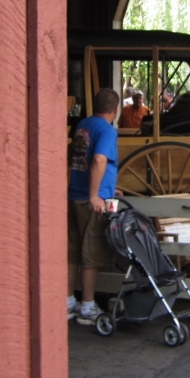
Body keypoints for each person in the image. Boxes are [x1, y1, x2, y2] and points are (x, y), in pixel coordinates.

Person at [68, 87, 120, 325]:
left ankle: (68, 302)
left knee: (73, 252)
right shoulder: (107, 130)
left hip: (73, 195)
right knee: (91, 254)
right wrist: (96, 195)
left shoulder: (82, 126)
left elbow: (80, 159)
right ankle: (88, 306)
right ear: (115, 110)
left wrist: (109, 187)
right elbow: (99, 159)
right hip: (90, 201)